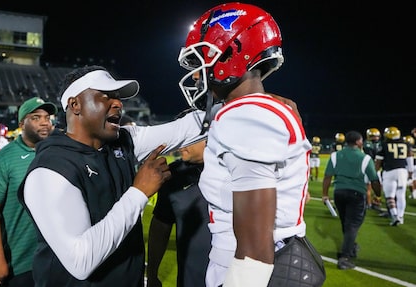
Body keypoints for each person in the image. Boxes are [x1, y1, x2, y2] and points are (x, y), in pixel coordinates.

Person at [17, 65, 208, 287]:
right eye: (106, 97)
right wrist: (138, 193)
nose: (117, 103)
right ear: (74, 105)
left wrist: (220, 84)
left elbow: (189, 129)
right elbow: (81, 261)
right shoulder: (49, 170)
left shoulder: (123, 142)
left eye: (117, 97)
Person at [177, 3, 325, 287]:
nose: (196, 75)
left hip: (248, 272)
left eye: (200, 62)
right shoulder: (255, 110)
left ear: (231, 53)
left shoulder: (245, 117)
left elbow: (255, 252)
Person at [0, 97, 58, 287]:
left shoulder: (58, 153)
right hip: (21, 263)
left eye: (47, 117)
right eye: (35, 117)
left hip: (58, 259)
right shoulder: (3, 159)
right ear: (21, 124)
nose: (44, 122)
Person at [147, 109, 211, 287]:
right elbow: (161, 226)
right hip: (190, 281)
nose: (180, 143)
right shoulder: (174, 175)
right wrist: (152, 273)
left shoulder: (236, 171)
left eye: (187, 136)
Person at [322, 131, 381, 270]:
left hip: (339, 192)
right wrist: (378, 194)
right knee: (353, 224)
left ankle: (351, 246)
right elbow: (374, 179)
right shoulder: (365, 158)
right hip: (357, 193)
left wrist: (325, 194)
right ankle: (345, 257)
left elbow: (327, 176)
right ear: (359, 142)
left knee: (346, 222)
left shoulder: (335, 155)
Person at [375, 126, 414, 226]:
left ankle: (394, 215)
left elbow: (378, 162)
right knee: (401, 195)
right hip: (402, 171)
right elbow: (410, 158)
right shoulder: (406, 144)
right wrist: (410, 172)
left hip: (389, 172)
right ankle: (400, 217)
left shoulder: (384, 145)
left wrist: (375, 172)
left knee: (390, 196)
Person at [362, 128, 382, 210]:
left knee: (368, 187)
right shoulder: (381, 144)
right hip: (378, 167)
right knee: (378, 187)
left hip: (369, 167)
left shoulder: (367, 144)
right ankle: (376, 202)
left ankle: (369, 203)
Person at [404, 134, 416, 199]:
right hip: (414, 165)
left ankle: (414, 194)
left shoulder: (406, 148)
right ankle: (413, 194)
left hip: (409, 166)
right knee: (413, 180)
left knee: (410, 180)